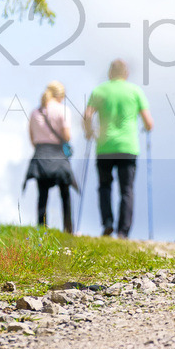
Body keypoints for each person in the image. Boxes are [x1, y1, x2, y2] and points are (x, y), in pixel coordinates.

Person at [83, 59, 154, 238]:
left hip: (104, 146)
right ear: (126, 73)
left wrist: (89, 132)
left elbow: (87, 115)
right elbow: (149, 122)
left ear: (109, 73)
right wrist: (146, 127)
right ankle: (123, 231)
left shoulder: (99, 91)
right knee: (126, 189)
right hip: (128, 146)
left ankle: (107, 222)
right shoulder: (135, 91)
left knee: (104, 186)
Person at [25, 81, 76, 233]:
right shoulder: (63, 110)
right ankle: (68, 228)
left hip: (40, 154)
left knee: (42, 194)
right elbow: (67, 136)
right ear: (60, 95)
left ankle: (41, 227)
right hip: (58, 154)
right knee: (65, 193)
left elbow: (32, 138)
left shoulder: (35, 112)